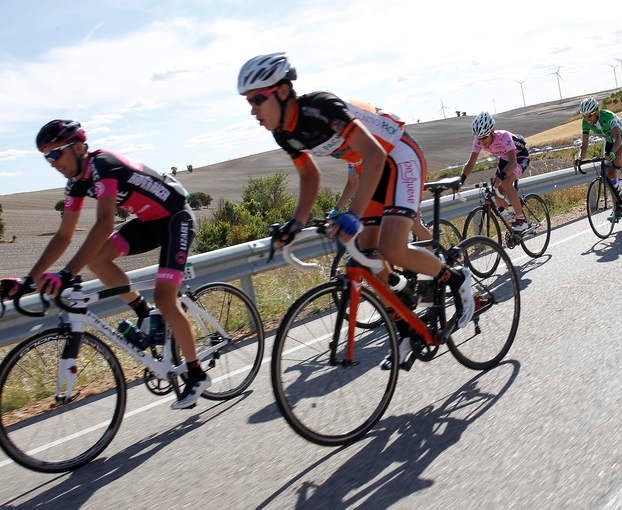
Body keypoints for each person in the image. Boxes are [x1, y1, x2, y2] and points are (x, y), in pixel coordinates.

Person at [237, 52, 473, 371]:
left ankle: (456, 278)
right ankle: (406, 324)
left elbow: (375, 156)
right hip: (373, 167)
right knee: (366, 256)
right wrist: (295, 223)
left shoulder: (321, 108)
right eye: (249, 102)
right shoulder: (284, 133)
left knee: (392, 248)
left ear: (281, 91)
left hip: (398, 156)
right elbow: (310, 176)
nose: (253, 111)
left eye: (257, 99)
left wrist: (355, 214)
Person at [4, 119, 209, 409]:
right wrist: (28, 281)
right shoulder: (76, 183)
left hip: (177, 217)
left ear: (77, 147)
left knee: (165, 298)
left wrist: (66, 273)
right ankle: (142, 311)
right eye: (45, 156)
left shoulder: (103, 165)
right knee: (99, 260)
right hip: (149, 222)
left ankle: (197, 374)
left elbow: (103, 224)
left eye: (54, 154)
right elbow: (63, 236)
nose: (51, 162)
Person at [458, 112, 530, 231]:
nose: (482, 141)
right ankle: (511, 218)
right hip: (504, 159)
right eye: (479, 138)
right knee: (495, 190)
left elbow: (512, 162)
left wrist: (502, 176)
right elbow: (471, 163)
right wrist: (461, 180)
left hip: (519, 157)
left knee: (506, 183)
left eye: (484, 137)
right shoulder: (478, 141)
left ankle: (521, 219)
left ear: (492, 131)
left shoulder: (504, 136)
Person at [573, 96, 622, 223]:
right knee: (610, 176)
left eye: (589, 116)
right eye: (584, 116)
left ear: (596, 112)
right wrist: (580, 158)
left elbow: (618, 137)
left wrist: (613, 153)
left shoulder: (607, 116)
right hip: (609, 140)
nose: (587, 120)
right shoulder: (585, 122)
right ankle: (617, 207)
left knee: (617, 159)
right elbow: (585, 144)